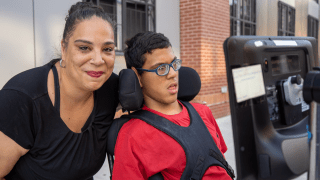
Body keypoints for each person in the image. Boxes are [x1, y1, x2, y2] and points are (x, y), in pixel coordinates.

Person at [0, 2, 118, 180]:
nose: (98, 59)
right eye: (84, 48)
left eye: (107, 49)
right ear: (64, 48)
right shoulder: (22, 98)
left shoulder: (111, 88)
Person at [112, 31, 233, 180]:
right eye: (161, 68)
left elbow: (221, 165)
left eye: (174, 64)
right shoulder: (132, 135)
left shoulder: (203, 111)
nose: (172, 74)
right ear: (137, 76)